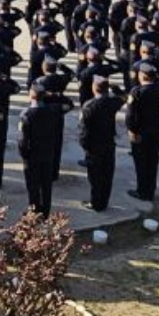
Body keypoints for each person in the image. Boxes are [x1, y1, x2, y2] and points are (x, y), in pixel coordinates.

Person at [17, 84, 72, 214]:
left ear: (31, 96)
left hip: (32, 155)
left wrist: (24, 155)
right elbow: (69, 105)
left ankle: (34, 211)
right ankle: (46, 211)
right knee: (46, 184)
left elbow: (23, 140)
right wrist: (55, 95)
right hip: (48, 152)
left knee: (33, 185)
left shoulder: (26, 115)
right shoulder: (53, 110)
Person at [124, 64, 159, 201]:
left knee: (141, 163)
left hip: (141, 132)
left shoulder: (136, 92)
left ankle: (142, 191)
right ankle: (150, 190)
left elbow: (131, 115)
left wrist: (132, 130)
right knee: (152, 162)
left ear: (141, 76)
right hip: (155, 130)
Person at [78, 77, 123, 211]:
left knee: (95, 177)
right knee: (107, 174)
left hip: (94, 146)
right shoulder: (113, 102)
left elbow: (84, 131)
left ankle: (96, 203)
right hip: (109, 142)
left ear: (94, 87)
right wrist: (115, 88)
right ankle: (104, 202)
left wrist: (85, 147)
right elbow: (123, 97)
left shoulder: (89, 106)